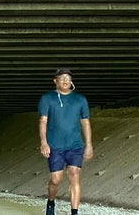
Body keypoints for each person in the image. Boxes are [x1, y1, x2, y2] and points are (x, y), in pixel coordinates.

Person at [38, 68, 93, 215]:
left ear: (71, 81)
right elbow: (43, 121)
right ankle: (51, 202)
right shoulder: (47, 98)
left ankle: (74, 212)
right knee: (55, 180)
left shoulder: (80, 100)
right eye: (61, 78)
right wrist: (44, 142)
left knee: (74, 175)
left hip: (75, 146)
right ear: (55, 81)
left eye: (68, 78)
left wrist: (89, 145)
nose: (65, 80)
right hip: (55, 146)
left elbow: (85, 122)